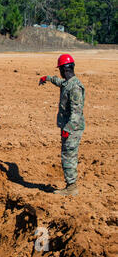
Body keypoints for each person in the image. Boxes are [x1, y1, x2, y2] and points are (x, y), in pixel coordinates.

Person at [39, 54, 85, 196]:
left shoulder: (75, 87)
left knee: (68, 155)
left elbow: (76, 113)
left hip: (72, 128)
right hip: (69, 127)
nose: (59, 73)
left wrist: (68, 129)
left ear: (64, 70)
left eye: (59, 69)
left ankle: (71, 188)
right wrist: (47, 78)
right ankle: (70, 185)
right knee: (67, 154)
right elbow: (59, 82)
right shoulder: (67, 82)